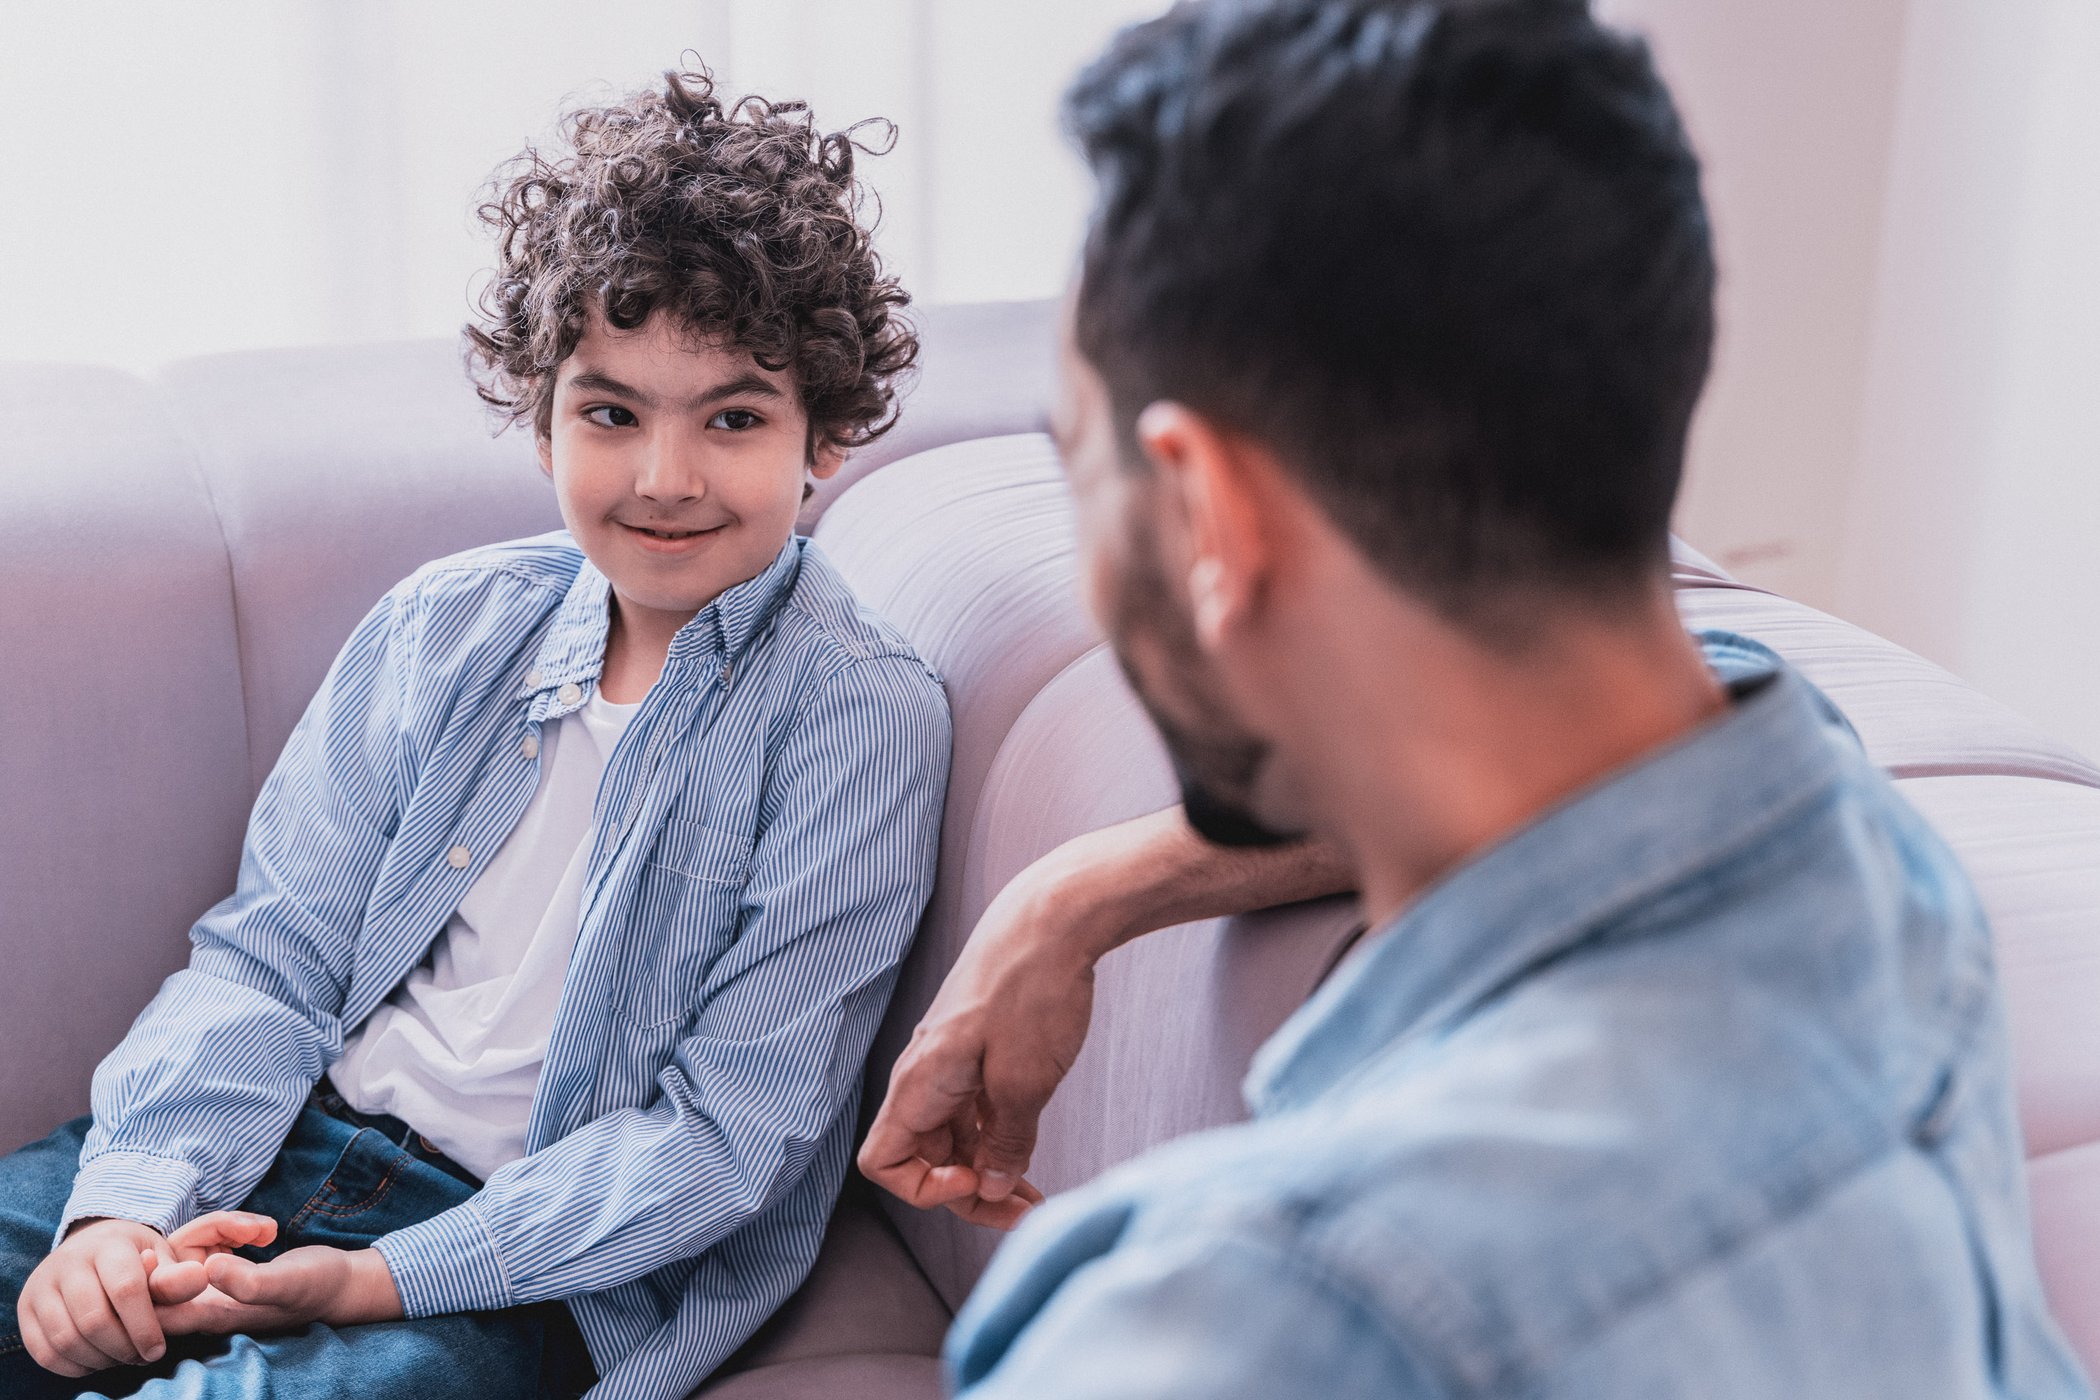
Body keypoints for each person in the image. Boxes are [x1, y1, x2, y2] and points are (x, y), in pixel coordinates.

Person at [865, 1, 2094, 1395]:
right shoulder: (1873, 882)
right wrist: (1077, 894)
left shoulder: (1247, 1321)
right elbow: (1734, 687)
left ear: (1212, 513)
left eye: (1076, 465)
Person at [0, 67, 949, 1400]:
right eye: (610, 413)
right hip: (274, 1148)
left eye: (733, 418)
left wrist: (373, 1279)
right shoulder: (442, 628)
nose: (664, 479)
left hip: (528, 1262)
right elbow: (271, 960)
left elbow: (729, 1138)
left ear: (826, 438)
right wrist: (124, 1213)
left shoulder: (859, 717)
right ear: (542, 411)